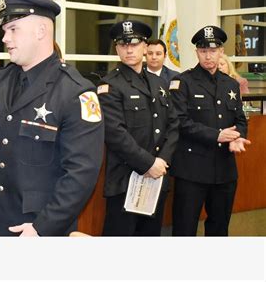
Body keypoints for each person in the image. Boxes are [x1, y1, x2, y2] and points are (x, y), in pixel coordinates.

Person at [0, 0, 104, 236]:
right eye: (5, 30)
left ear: (41, 31)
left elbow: (81, 173)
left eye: (13, 29)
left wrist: (43, 227)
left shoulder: (76, 92)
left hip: (38, 226)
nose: (5, 38)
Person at [98, 20, 179, 236]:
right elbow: (115, 133)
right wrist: (149, 163)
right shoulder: (109, 85)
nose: (129, 49)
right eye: (123, 45)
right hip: (126, 181)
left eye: (134, 44)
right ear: (117, 49)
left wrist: (162, 161)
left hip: (156, 179)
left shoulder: (160, 83)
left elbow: (173, 124)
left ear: (145, 47)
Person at [169, 25, 251, 236]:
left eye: (213, 51)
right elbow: (180, 121)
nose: (208, 56)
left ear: (221, 52)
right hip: (192, 170)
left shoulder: (231, 84)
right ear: (196, 52)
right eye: (203, 51)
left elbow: (240, 119)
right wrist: (217, 135)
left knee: (219, 229)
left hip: (224, 170)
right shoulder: (182, 82)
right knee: (184, 229)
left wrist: (238, 137)